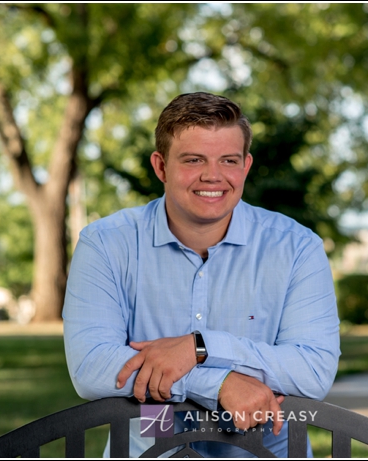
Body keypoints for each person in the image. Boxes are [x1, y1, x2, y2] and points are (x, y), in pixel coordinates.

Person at [63, 92, 340, 457]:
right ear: (161, 167)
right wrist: (218, 380)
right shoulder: (107, 244)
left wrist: (201, 347)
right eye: (194, 160)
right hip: (153, 452)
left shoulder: (297, 248)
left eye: (229, 160)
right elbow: (91, 365)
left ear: (246, 166)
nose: (213, 176)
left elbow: (313, 370)